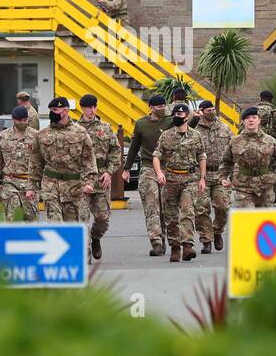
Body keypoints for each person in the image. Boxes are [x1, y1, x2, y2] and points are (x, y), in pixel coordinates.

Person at [153, 103, 207, 262]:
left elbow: (202, 156)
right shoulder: (166, 135)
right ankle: (175, 246)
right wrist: (159, 173)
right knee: (170, 216)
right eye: (176, 115)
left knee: (187, 211)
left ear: (188, 116)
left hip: (189, 179)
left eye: (181, 115)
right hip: (170, 179)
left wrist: (202, 178)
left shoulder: (196, 135)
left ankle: (188, 245)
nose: (178, 117)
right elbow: (156, 156)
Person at [122, 94, 174, 257]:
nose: (162, 109)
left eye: (164, 106)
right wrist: (127, 169)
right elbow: (134, 147)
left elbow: (188, 121)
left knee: (166, 208)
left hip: (169, 168)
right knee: (152, 206)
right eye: (159, 107)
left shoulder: (170, 120)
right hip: (148, 167)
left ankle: (167, 238)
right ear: (151, 108)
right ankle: (156, 241)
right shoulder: (141, 124)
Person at [33, 96, 97, 222]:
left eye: (56, 110)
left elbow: (89, 160)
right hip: (50, 187)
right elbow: (36, 161)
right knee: (54, 224)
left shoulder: (80, 132)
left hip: (73, 188)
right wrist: (31, 186)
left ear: (66, 111)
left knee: (71, 228)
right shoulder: (42, 134)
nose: (53, 113)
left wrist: (89, 182)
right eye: (51, 110)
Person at [77, 93, 122, 261]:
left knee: (103, 218)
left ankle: (95, 238)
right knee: (81, 219)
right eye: (88, 107)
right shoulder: (76, 129)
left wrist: (109, 172)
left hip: (102, 178)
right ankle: (85, 253)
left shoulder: (106, 128)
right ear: (82, 108)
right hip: (82, 179)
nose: (92, 110)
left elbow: (115, 151)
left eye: (94, 107)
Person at [222, 107, 276, 208]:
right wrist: (223, 177)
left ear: (259, 120)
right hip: (243, 186)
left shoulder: (270, 140)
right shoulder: (235, 141)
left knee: (264, 221)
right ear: (243, 121)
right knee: (249, 220)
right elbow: (226, 161)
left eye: (254, 117)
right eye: (247, 118)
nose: (251, 120)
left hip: (266, 185)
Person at [192, 99, 233, 254]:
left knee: (223, 207)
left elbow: (233, 150)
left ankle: (217, 231)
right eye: (207, 110)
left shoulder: (225, 128)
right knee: (201, 209)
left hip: (221, 173)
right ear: (201, 111)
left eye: (212, 109)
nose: (211, 112)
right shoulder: (194, 129)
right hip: (200, 174)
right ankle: (206, 240)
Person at [0, 106, 40, 221]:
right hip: (10, 182)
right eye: (20, 120)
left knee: (31, 221)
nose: (23, 123)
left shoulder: (36, 135)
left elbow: (41, 161)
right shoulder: (4, 135)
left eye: (25, 120)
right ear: (13, 119)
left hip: (29, 183)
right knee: (12, 220)